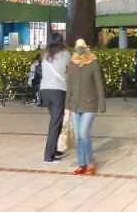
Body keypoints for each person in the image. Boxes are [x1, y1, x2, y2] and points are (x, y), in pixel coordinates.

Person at [66, 37, 106, 175]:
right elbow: (69, 86)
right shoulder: (72, 63)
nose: (79, 48)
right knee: (77, 136)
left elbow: (99, 84)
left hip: (90, 103)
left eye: (81, 45)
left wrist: (102, 104)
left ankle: (91, 162)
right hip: (75, 104)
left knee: (83, 133)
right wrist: (67, 106)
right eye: (77, 45)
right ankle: (81, 164)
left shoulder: (93, 62)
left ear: (87, 46)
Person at [40, 32, 72, 165]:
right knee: (55, 123)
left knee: (56, 122)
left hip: (44, 91)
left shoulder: (45, 55)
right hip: (58, 91)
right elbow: (71, 70)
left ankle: (54, 150)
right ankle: (48, 156)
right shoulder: (65, 54)